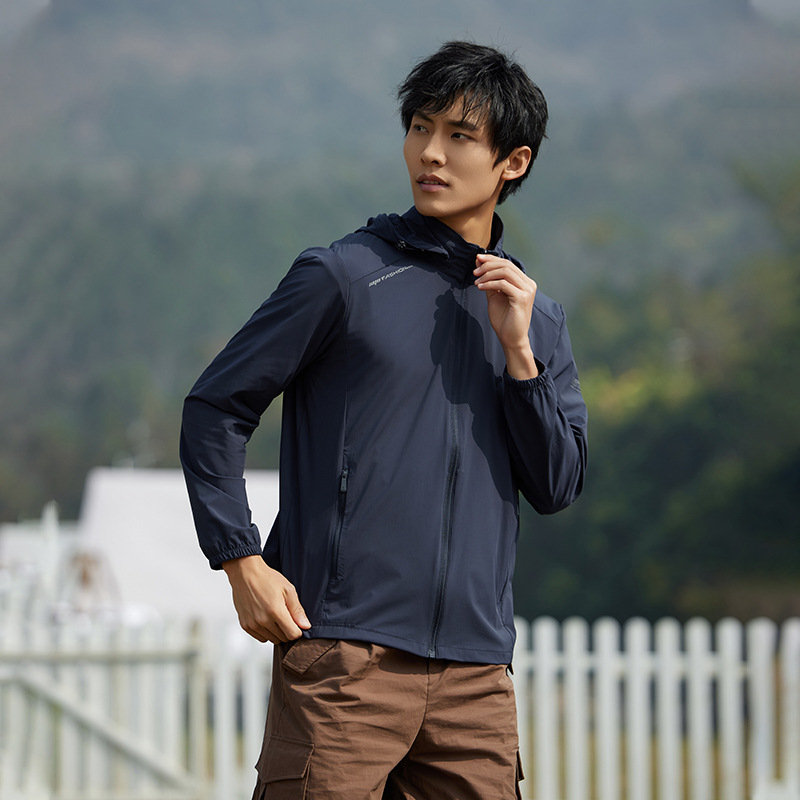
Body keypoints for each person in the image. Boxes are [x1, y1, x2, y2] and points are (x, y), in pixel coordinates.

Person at [180, 40, 587, 800]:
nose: (430, 153)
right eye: (419, 127)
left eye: (459, 136)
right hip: (342, 661)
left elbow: (557, 484)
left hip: (476, 678)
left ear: (513, 162)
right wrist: (240, 561)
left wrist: (519, 355)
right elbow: (215, 407)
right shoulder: (343, 275)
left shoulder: (538, 320)